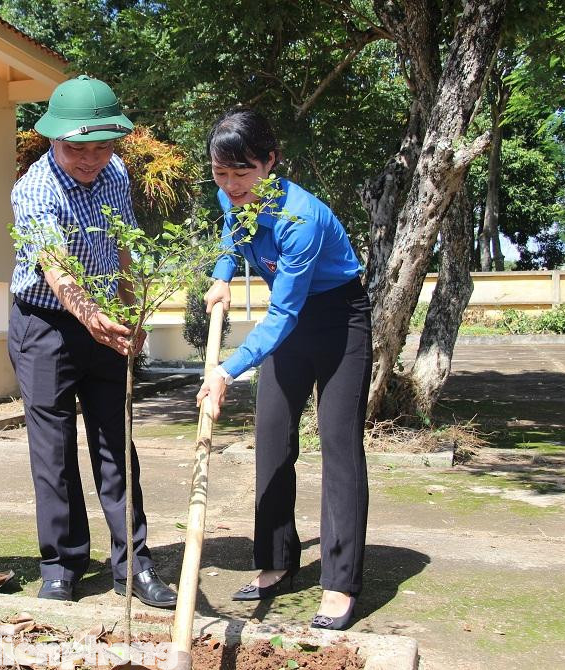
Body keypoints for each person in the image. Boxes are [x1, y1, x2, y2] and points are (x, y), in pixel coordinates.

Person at [195, 107, 371, 630]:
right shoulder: (234, 195)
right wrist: (223, 274)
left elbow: (285, 314)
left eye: (242, 172)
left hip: (339, 319)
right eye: (219, 173)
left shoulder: (301, 219)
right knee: (272, 436)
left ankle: (340, 583)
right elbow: (232, 231)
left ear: (270, 161)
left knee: (338, 444)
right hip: (289, 323)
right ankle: (275, 561)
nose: (229, 185)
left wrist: (227, 369)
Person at [8, 75, 177, 609]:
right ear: (53, 139)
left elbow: (122, 248)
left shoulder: (116, 174)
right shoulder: (34, 188)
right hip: (46, 325)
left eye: (102, 147)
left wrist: (128, 310)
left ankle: (135, 563)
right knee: (52, 451)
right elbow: (54, 265)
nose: (90, 159)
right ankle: (62, 565)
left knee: (115, 444)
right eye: (77, 148)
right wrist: (91, 316)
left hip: (104, 321)